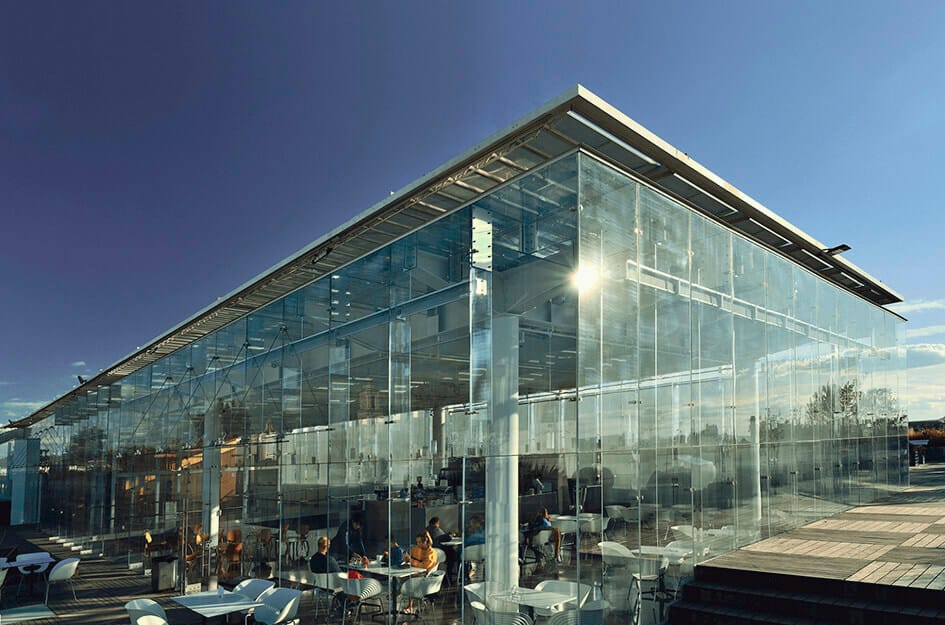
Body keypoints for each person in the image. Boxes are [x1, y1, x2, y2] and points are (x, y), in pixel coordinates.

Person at [403, 531, 438, 613]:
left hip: (426, 578)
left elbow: (424, 566)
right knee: (403, 577)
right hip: (414, 573)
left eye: (419, 542)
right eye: (417, 542)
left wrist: (411, 561)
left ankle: (400, 596)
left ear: (425, 542)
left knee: (409, 580)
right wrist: (406, 558)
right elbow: (410, 559)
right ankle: (400, 595)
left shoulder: (431, 553)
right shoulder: (416, 549)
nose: (417, 544)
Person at [310, 536, 344, 617]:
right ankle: (345, 607)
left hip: (321, 587)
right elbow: (339, 574)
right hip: (332, 587)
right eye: (329, 545)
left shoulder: (313, 559)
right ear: (326, 546)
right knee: (347, 586)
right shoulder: (329, 560)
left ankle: (340, 607)